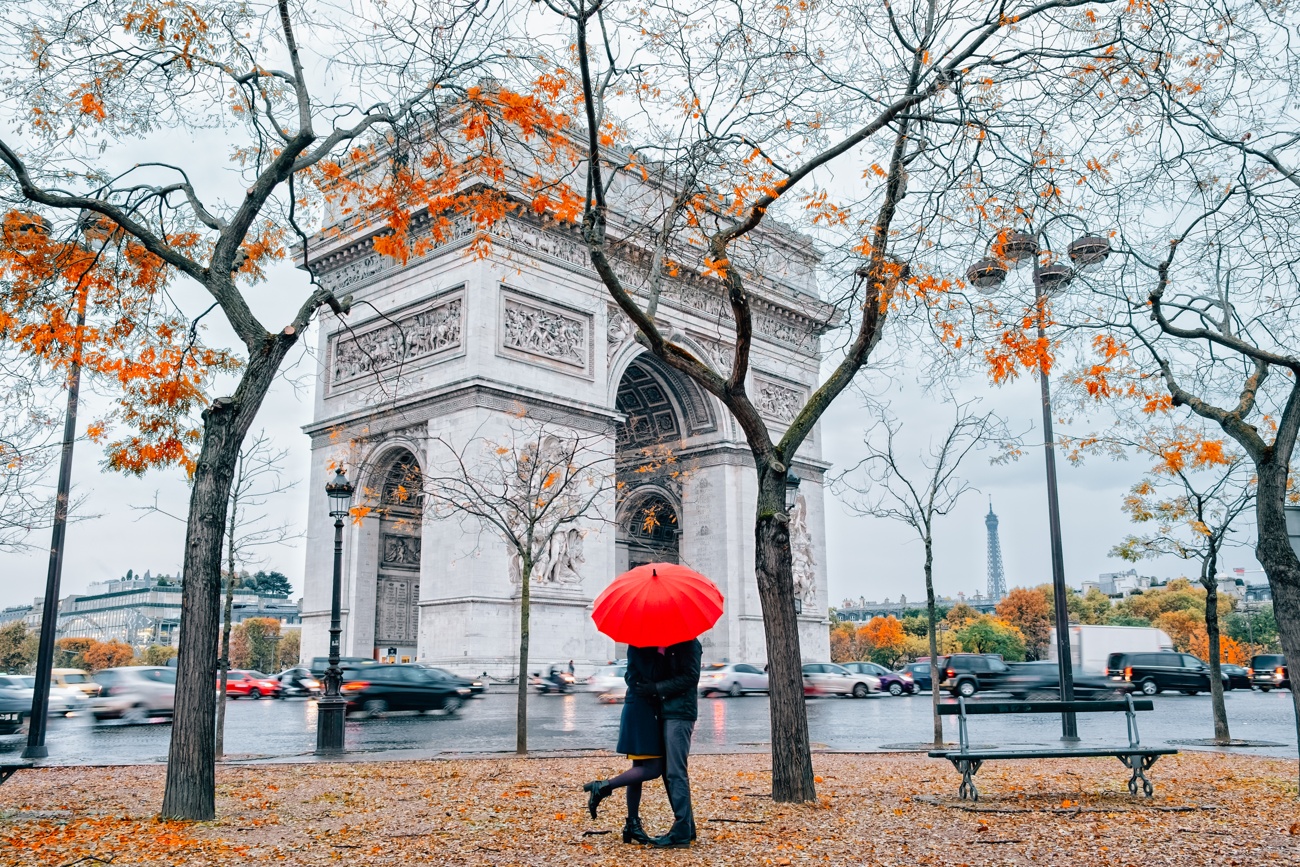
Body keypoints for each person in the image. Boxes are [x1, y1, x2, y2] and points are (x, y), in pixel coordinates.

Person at [582, 646, 666, 844]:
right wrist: (663, 658)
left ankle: (632, 826)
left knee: (638, 769)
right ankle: (603, 786)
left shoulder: (637, 643)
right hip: (642, 710)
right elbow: (652, 675)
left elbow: (632, 676)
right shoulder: (645, 645)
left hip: (637, 707)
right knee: (654, 769)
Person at [633, 638, 701, 849]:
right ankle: (687, 828)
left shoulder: (689, 643)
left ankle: (681, 831)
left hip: (680, 714)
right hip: (668, 712)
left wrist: (656, 687)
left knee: (675, 773)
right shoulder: (668, 645)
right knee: (669, 772)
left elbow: (691, 676)